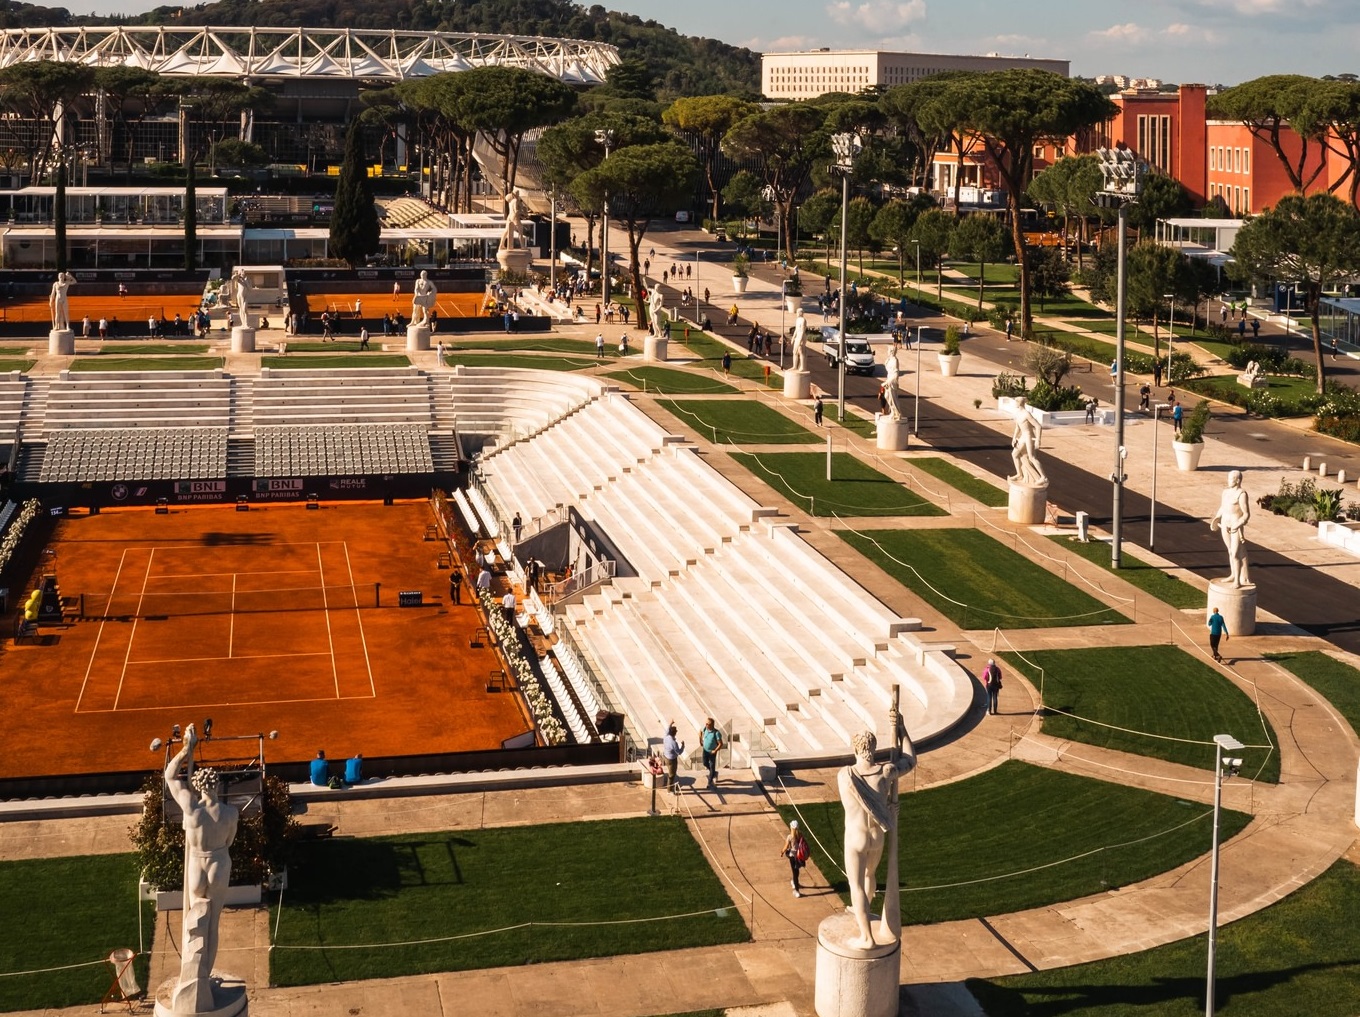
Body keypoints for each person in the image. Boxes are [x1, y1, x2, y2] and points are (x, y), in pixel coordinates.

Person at [162, 725, 241, 1014]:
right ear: (216, 786)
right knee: (213, 923)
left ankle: (193, 974)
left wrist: (186, 749)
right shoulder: (231, 813)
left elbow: (170, 775)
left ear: (198, 786)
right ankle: (202, 978)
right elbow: (230, 840)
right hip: (219, 861)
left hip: (197, 862)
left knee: (193, 924)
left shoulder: (191, 809)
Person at [839, 710, 916, 949]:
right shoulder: (886, 772)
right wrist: (902, 729)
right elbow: (910, 760)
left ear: (855, 749)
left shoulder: (845, 775)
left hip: (856, 837)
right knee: (869, 876)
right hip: (877, 837)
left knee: (856, 885)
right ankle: (863, 911)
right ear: (873, 748)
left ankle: (866, 937)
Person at [1210, 470, 1252, 588]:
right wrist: (1217, 518)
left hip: (1235, 526)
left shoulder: (1242, 494)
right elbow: (1223, 507)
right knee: (1229, 551)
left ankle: (1238, 581)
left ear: (1237, 480)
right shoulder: (1225, 493)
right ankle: (1233, 574)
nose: (1228, 481)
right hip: (1225, 524)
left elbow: (1246, 514)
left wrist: (1239, 523)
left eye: (1230, 479)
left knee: (1235, 553)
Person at [1009, 396, 1047, 484]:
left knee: (1032, 457)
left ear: (1020, 403)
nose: (1015, 403)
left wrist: (1038, 439)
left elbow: (1038, 426)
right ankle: (1019, 474)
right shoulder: (1018, 413)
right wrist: (1014, 438)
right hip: (1023, 437)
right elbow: (1017, 427)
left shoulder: (1027, 414)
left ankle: (1043, 477)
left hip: (1029, 437)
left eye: (1016, 402)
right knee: (1014, 454)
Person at [780, 819, 810, 898]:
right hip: (800, 856)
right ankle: (795, 883)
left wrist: (782, 852)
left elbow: (786, 847)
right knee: (797, 871)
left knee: (795, 873)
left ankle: (796, 890)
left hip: (793, 857)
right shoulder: (800, 835)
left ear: (791, 828)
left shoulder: (790, 837)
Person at [662, 722, 685, 791]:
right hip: (672, 760)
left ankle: (672, 786)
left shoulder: (666, 737)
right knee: (671, 775)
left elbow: (667, 730)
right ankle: (669, 790)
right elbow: (679, 752)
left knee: (671, 773)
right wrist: (683, 746)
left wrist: (670, 723)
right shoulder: (673, 743)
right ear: (675, 733)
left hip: (665, 756)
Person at [700, 718, 723, 783]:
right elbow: (702, 734)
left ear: (712, 725)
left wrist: (715, 750)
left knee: (712, 766)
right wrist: (700, 738)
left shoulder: (716, 733)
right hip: (705, 750)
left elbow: (720, 744)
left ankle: (710, 782)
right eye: (706, 723)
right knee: (705, 763)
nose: (706, 725)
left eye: (708, 724)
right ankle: (714, 773)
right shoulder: (705, 729)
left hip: (712, 752)